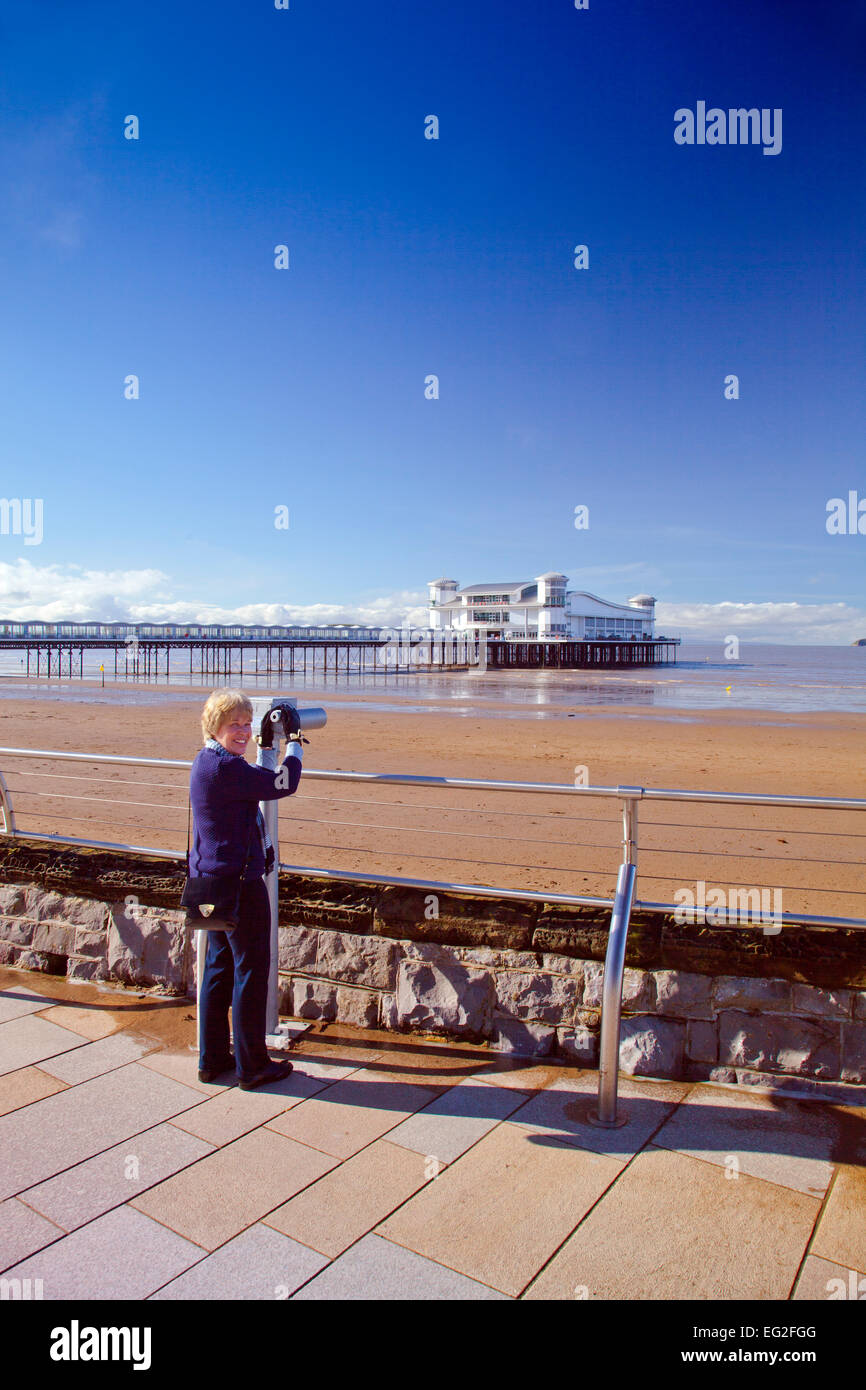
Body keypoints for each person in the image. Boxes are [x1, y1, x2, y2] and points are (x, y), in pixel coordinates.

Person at [189, 689, 303, 1089]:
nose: (241, 731)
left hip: (209, 883)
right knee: (251, 974)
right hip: (239, 886)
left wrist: (266, 745)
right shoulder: (227, 769)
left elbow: (257, 781)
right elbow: (282, 784)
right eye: (232, 724)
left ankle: (212, 1058)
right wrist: (296, 744)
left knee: (219, 970)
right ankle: (253, 1066)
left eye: (246, 723)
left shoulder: (207, 762)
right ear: (214, 727)